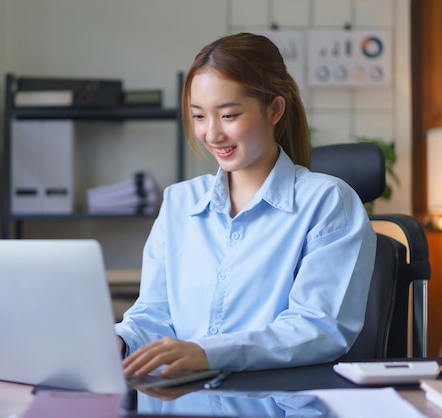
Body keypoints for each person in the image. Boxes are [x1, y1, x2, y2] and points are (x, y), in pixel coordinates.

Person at [115, 32, 376, 379]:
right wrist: (119, 340)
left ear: (275, 110)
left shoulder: (328, 203)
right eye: (198, 117)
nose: (211, 134)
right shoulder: (180, 203)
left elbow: (318, 328)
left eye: (228, 115)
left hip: (277, 402)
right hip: (182, 399)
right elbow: (154, 314)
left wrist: (206, 353)